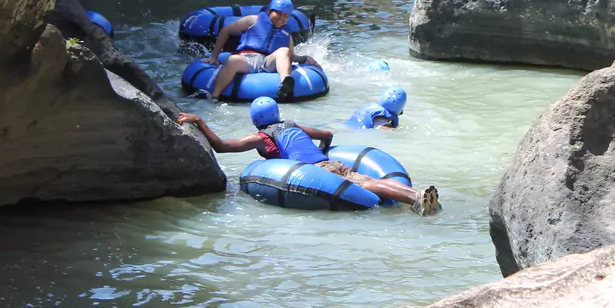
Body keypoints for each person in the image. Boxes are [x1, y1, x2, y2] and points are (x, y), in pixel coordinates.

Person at [177, 98, 440, 215]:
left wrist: (199, 121)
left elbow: (222, 146)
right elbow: (326, 134)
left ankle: (416, 198)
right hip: (331, 162)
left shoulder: (261, 138)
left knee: (369, 186)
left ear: (256, 120)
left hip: (317, 171)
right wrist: (322, 151)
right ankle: (414, 194)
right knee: (364, 179)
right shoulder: (293, 125)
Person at [202, 0, 319, 101]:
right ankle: (215, 96)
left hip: (267, 62)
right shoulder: (253, 20)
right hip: (246, 59)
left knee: (285, 50)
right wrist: (214, 56)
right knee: (232, 60)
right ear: (270, 11)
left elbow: (290, 56)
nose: (281, 18)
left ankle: (286, 82)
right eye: (278, 13)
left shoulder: (286, 33)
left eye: (285, 16)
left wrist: (304, 58)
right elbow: (226, 30)